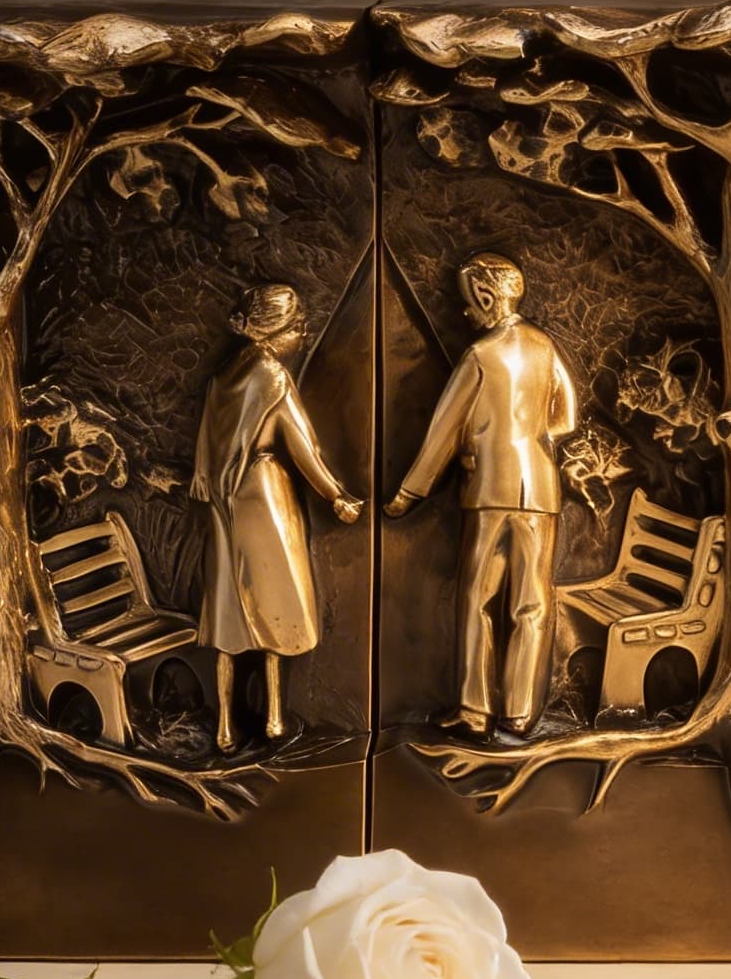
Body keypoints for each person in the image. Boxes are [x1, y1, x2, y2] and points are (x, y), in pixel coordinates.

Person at [385, 252, 579, 735]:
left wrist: (410, 492)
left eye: (469, 303)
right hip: (540, 490)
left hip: (491, 490)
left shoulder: (480, 356)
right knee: (532, 604)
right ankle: (519, 712)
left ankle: (474, 711)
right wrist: (528, 436)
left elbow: (442, 432)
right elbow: (566, 419)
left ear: (489, 298)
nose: (467, 314)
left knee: (478, 600)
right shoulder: (544, 346)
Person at [191, 283, 363, 751]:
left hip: (223, 502)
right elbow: (303, 446)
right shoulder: (273, 378)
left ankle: (224, 725)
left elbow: (204, 452)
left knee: (228, 609)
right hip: (265, 494)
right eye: (297, 326)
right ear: (273, 334)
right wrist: (336, 497)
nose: (303, 333)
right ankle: (272, 719)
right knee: (275, 603)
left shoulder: (223, 377)